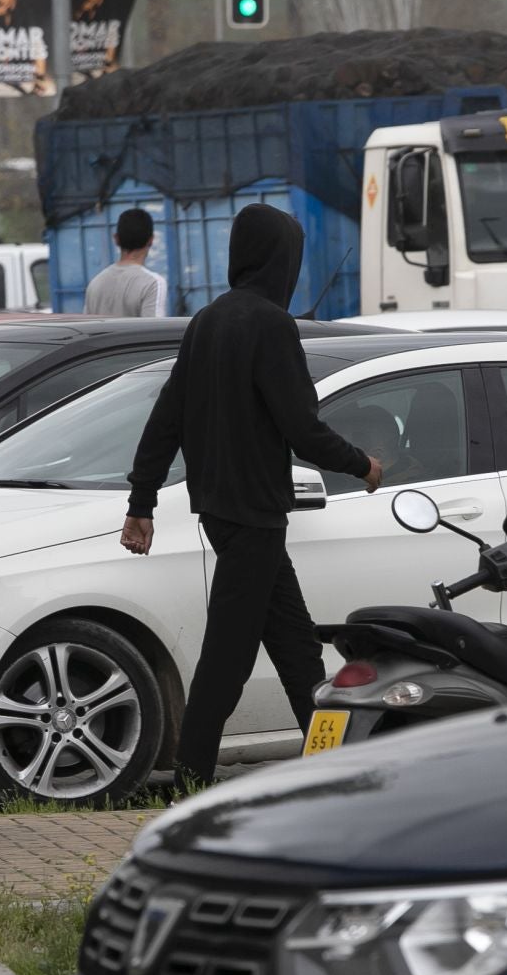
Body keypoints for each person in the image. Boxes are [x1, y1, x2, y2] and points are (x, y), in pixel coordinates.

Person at [122, 203, 382, 790]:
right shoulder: (270, 324)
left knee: (296, 651)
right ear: (279, 260)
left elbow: (165, 419)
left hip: (224, 512)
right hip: (254, 517)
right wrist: (360, 463)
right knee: (229, 659)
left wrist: (142, 502)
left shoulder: (208, 320)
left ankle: (335, 772)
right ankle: (190, 786)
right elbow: (300, 425)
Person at [85, 209, 166, 317]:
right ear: (151, 240)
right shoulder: (153, 284)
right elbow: (155, 331)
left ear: (116, 239)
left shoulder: (95, 283)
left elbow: (85, 329)